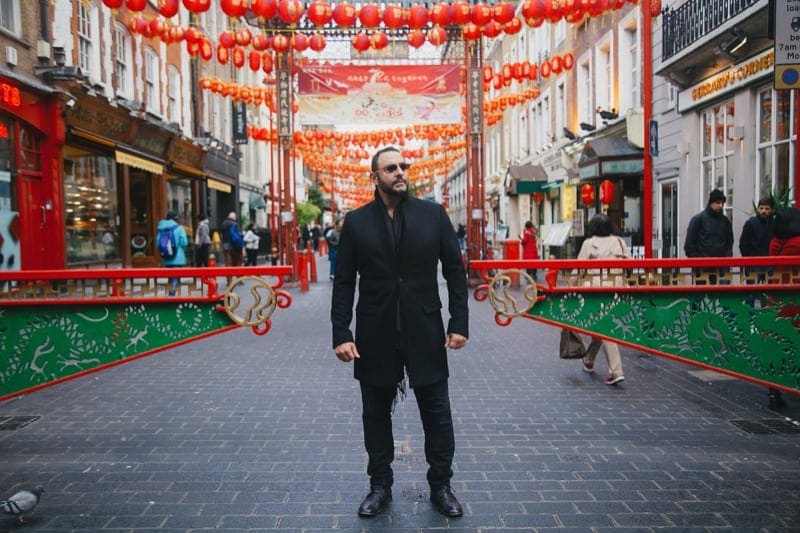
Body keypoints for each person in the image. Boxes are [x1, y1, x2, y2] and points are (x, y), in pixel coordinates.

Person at [331, 146, 469, 519]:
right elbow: (343, 281)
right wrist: (341, 332)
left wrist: (459, 323)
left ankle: (441, 485)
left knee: (437, 412)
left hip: (425, 328)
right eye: (390, 168)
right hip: (375, 332)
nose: (400, 172)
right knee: (375, 413)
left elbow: (455, 272)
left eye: (403, 166)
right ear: (374, 177)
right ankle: (380, 486)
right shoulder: (357, 222)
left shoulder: (432, 215)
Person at [576, 213, 630, 386]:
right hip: (618, 289)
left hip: (596, 290)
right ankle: (589, 360)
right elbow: (630, 265)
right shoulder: (620, 242)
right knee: (601, 324)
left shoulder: (589, 244)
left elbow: (578, 269)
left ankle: (616, 371)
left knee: (605, 328)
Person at [766, 206, 800, 410]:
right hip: (793, 299)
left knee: (775, 342)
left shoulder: (775, 242)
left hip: (776, 298)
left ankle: (774, 389)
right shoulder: (796, 244)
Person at [684, 188, 733, 283]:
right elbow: (689, 245)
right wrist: (699, 261)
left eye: (722, 203)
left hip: (721, 267)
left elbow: (729, 243)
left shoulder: (725, 222)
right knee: (703, 296)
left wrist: (727, 259)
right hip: (702, 268)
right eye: (718, 203)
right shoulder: (698, 219)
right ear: (711, 203)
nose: (721, 206)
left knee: (722, 295)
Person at [157, 211, 189, 295]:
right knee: (176, 277)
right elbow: (184, 243)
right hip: (178, 258)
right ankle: (172, 294)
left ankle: (170, 292)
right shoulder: (179, 228)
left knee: (170, 277)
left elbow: (158, 243)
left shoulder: (161, 228)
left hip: (166, 257)